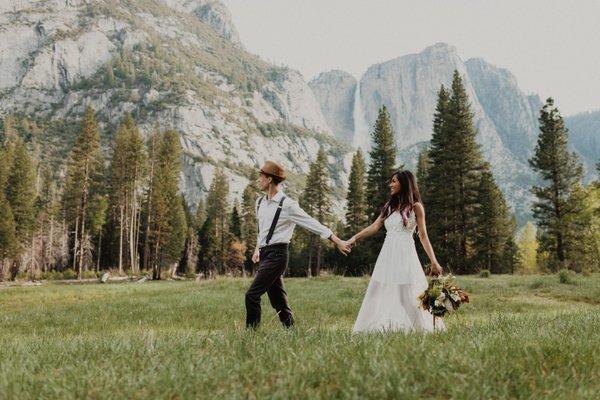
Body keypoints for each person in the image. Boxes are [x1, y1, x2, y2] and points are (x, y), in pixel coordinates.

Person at [245, 160, 351, 329]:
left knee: (252, 295)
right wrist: (258, 248)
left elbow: (312, 223)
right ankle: (292, 331)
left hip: (278, 255)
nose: (259, 179)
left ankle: (251, 336)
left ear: (270, 179)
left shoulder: (287, 205)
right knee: (278, 300)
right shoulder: (260, 203)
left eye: (261, 176)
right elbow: (262, 230)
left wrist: (337, 240)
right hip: (265, 254)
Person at [347, 170, 444, 333]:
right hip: (387, 254)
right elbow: (374, 227)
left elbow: (423, 236)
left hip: (405, 254)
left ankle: (423, 330)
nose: (390, 185)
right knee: (375, 291)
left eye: (394, 181)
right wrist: (354, 239)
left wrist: (434, 261)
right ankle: (362, 330)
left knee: (406, 297)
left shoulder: (416, 207)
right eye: (390, 181)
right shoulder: (389, 206)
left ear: (404, 183)